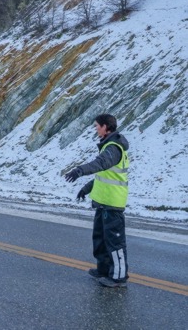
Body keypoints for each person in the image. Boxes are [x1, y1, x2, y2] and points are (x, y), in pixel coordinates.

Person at [65, 113, 130, 288]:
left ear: (105, 127)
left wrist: (79, 170)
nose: (95, 129)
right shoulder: (107, 146)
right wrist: (86, 189)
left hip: (113, 204)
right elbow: (103, 176)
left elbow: (99, 164)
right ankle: (104, 270)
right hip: (103, 203)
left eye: (97, 126)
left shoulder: (113, 148)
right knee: (100, 239)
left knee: (115, 242)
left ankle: (118, 277)